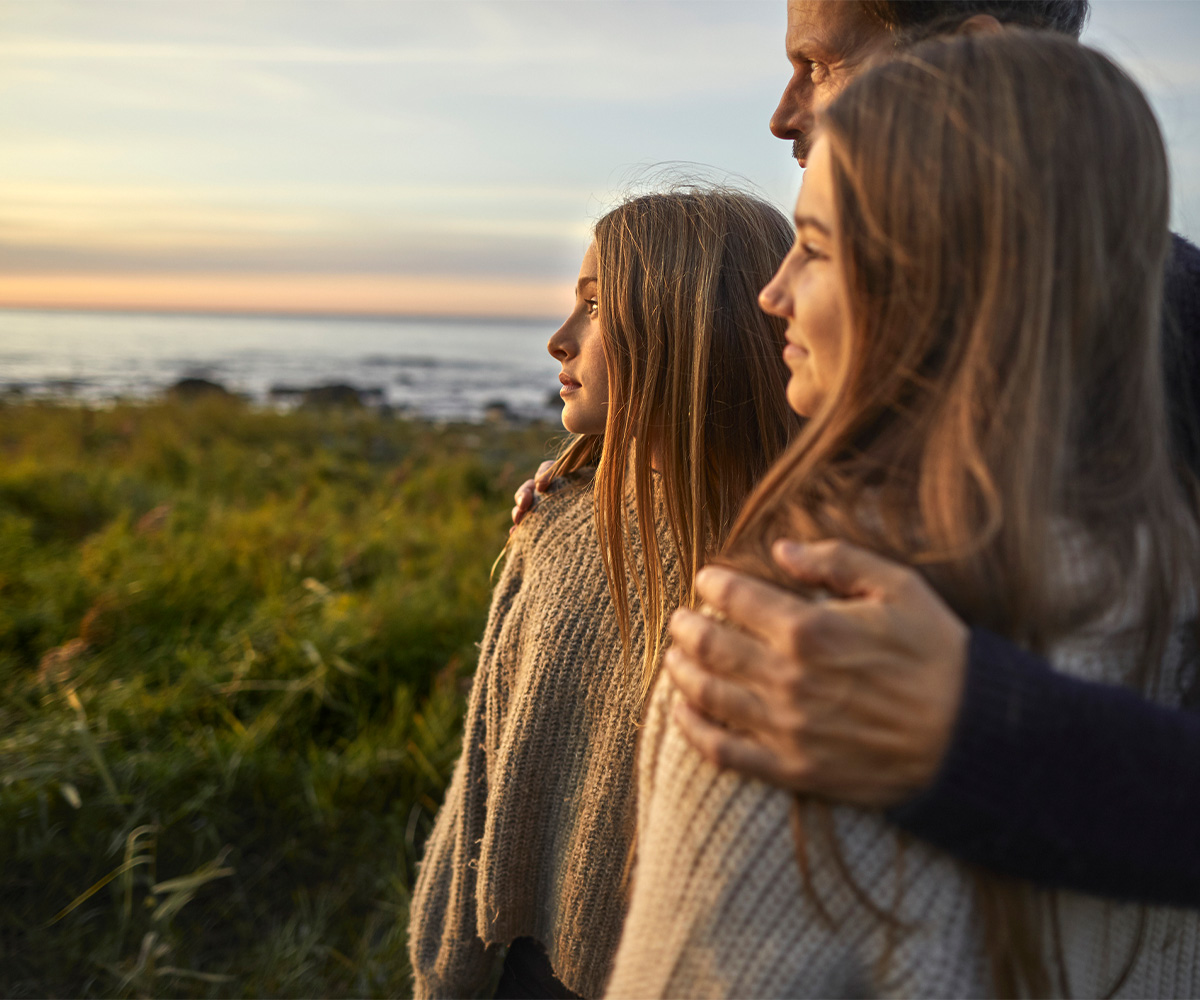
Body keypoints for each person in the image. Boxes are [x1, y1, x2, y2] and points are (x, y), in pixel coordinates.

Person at [513, 0, 1200, 905]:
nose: (783, 112)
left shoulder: (1173, 342)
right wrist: (613, 477)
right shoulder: (897, 359)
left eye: (821, 64)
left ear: (970, 61)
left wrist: (976, 732)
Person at [407, 188, 798, 999]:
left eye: (594, 307)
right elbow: (489, 760)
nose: (559, 341)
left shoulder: (799, 569)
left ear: (690, 329)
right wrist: (447, 964)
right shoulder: (558, 525)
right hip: (520, 960)